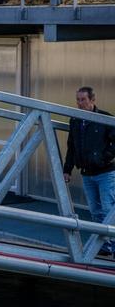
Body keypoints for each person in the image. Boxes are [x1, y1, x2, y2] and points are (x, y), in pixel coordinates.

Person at [63, 86, 115, 255]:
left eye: (83, 100)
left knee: (109, 209)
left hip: (105, 173)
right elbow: (71, 147)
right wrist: (67, 169)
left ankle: (114, 244)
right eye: (78, 100)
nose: (80, 103)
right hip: (87, 173)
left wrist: (103, 158)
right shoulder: (75, 120)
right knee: (95, 210)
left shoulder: (105, 119)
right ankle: (104, 245)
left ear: (92, 100)